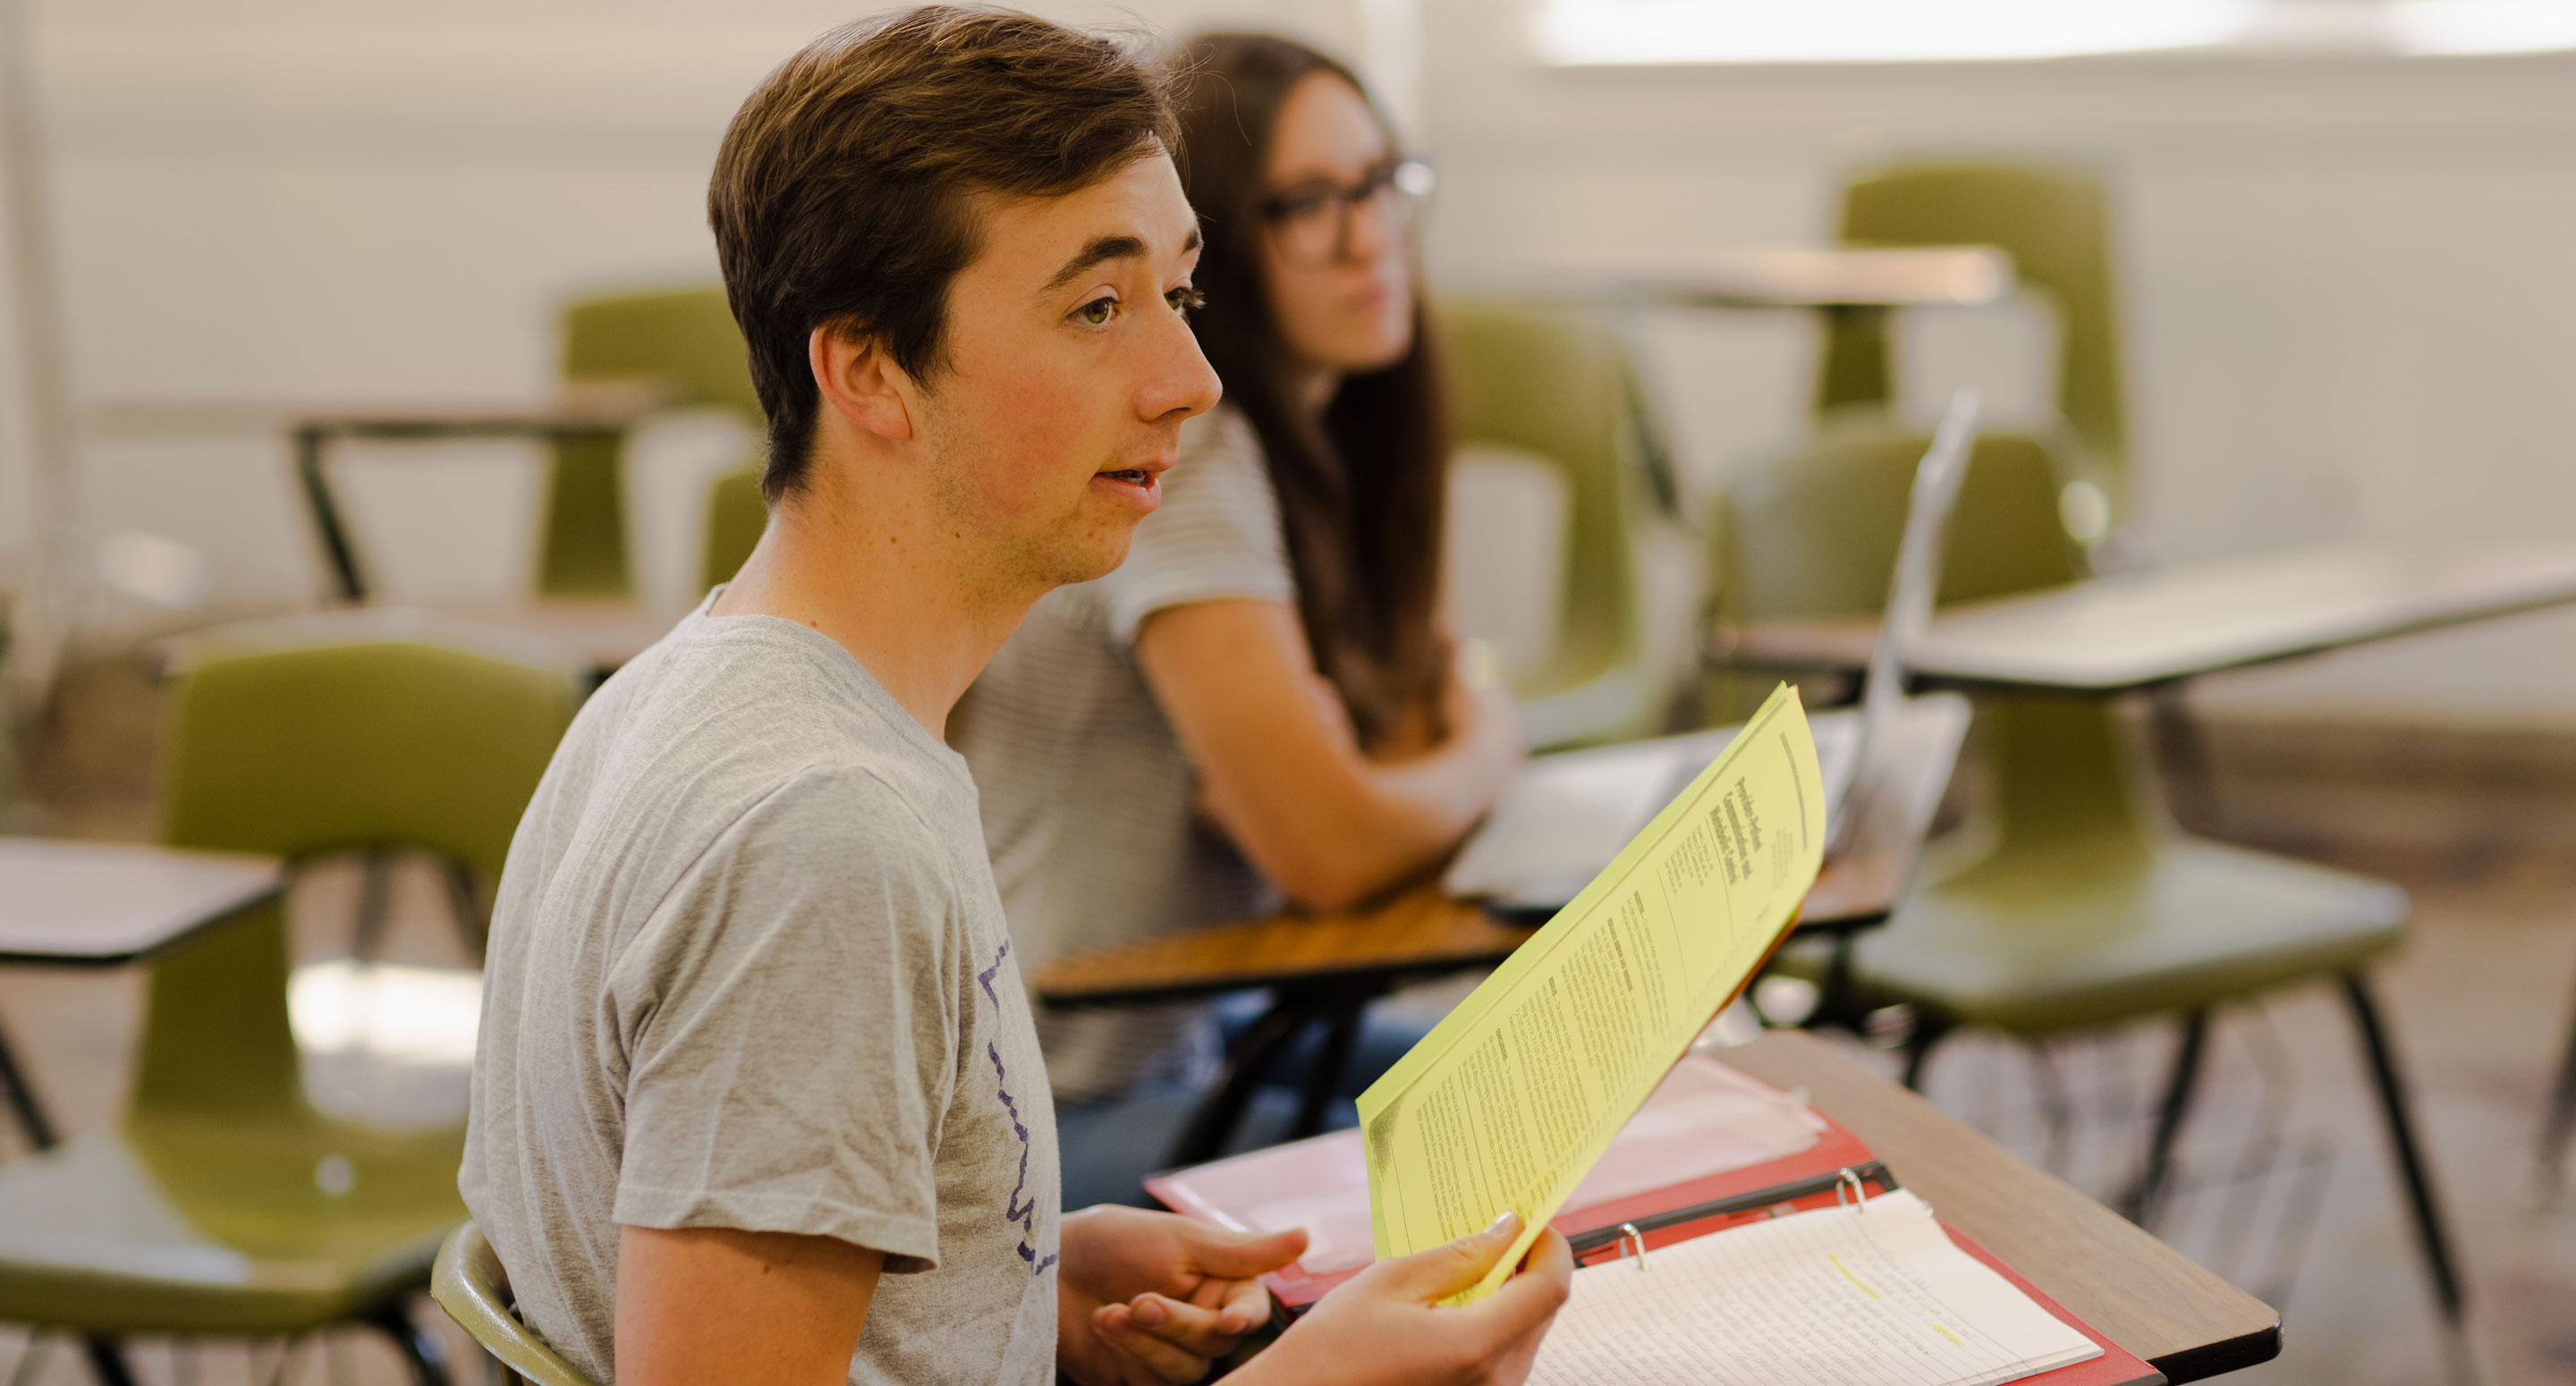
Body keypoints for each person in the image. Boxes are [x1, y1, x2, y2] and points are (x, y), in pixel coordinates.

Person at [461, 8, 1570, 1385]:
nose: (1191, 380)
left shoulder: (680, 691)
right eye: (1098, 307)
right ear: (868, 370)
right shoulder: (820, 840)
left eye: (1182, 293)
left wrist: (1017, 1272)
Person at [953, 31, 1521, 1197]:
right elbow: (1335, 844)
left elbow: (1384, 752)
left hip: (1190, 1035)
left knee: (1563, 1084)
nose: (1369, 238)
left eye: (1380, 182)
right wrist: (1490, 744)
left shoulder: (1313, 447)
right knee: (1515, 1149)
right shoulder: (1188, 459)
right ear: (1215, 246)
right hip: (1053, 1111)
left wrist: (1377, 766)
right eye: (1306, 204)